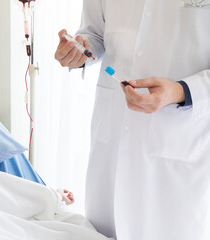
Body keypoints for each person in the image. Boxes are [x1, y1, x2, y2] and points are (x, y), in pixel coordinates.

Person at [54, 1, 210, 240]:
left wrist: (180, 91)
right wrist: (79, 51)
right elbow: (94, 33)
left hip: (181, 144)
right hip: (112, 140)